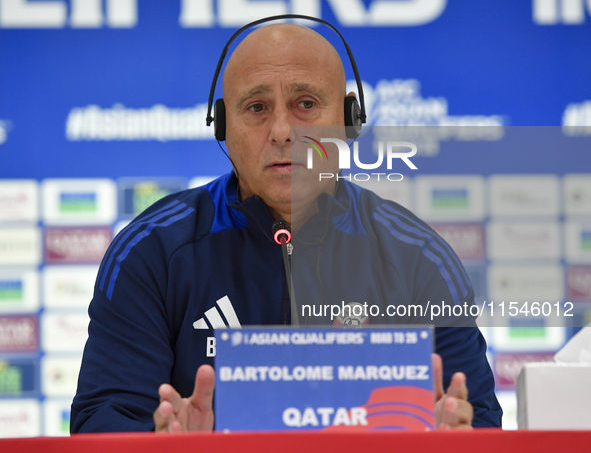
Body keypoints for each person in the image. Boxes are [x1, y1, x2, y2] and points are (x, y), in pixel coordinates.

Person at [71, 22, 502, 433]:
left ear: (349, 121)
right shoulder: (152, 253)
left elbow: (479, 423)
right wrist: (166, 447)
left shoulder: (417, 258)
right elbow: (101, 423)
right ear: (224, 126)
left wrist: (449, 442)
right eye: (256, 107)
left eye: (306, 104)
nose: (282, 131)